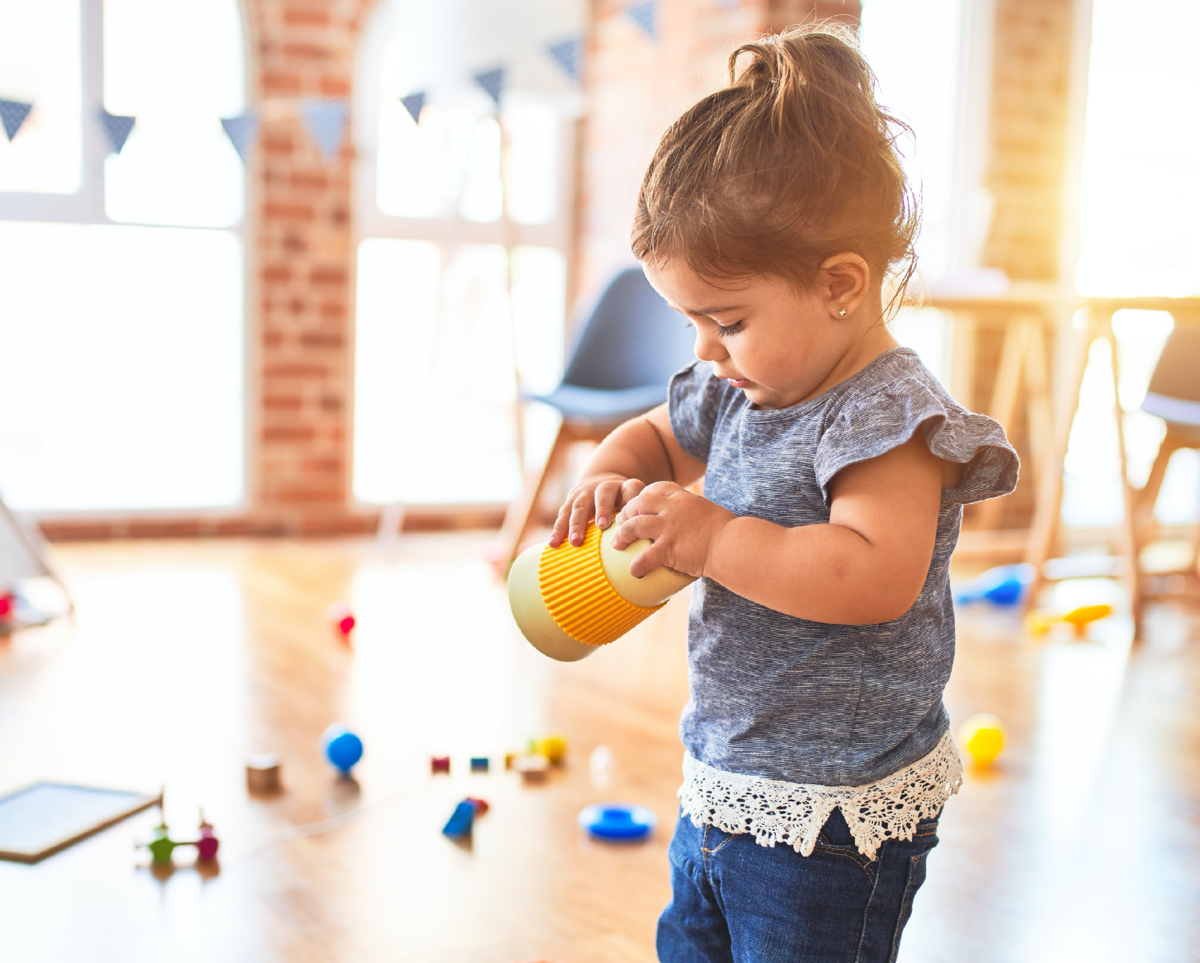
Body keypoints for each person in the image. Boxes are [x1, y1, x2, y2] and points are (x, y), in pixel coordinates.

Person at [548, 22, 1020, 963]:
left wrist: (716, 540)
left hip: (836, 817)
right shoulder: (738, 384)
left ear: (840, 283)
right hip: (729, 773)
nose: (703, 352)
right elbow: (657, 431)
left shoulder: (887, 416)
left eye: (725, 320)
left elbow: (872, 573)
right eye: (690, 321)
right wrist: (609, 472)